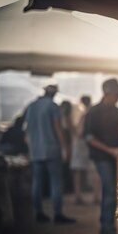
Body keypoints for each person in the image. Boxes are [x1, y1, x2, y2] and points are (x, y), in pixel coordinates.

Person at [23, 84, 75, 224]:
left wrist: (30, 147)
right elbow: (58, 129)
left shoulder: (31, 106)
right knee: (56, 182)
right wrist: (65, 148)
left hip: (36, 150)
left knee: (37, 182)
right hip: (52, 149)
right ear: (54, 94)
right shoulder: (53, 106)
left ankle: (38, 212)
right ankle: (58, 214)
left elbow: (27, 131)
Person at [84, 78, 118, 234]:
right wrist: (110, 150)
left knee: (114, 190)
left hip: (115, 155)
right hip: (101, 156)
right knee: (109, 190)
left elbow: (117, 133)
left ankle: (109, 223)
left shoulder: (117, 112)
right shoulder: (93, 112)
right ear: (108, 93)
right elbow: (88, 137)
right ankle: (106, 226)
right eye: (117, 94)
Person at [70, 95, 96, 205]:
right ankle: (96, 196)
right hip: (91, 144)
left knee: (79, 171)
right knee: (94, 171)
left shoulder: (84, 115)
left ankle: (78, 195)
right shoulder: (93, 114)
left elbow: (79, 133)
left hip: (82, 145)